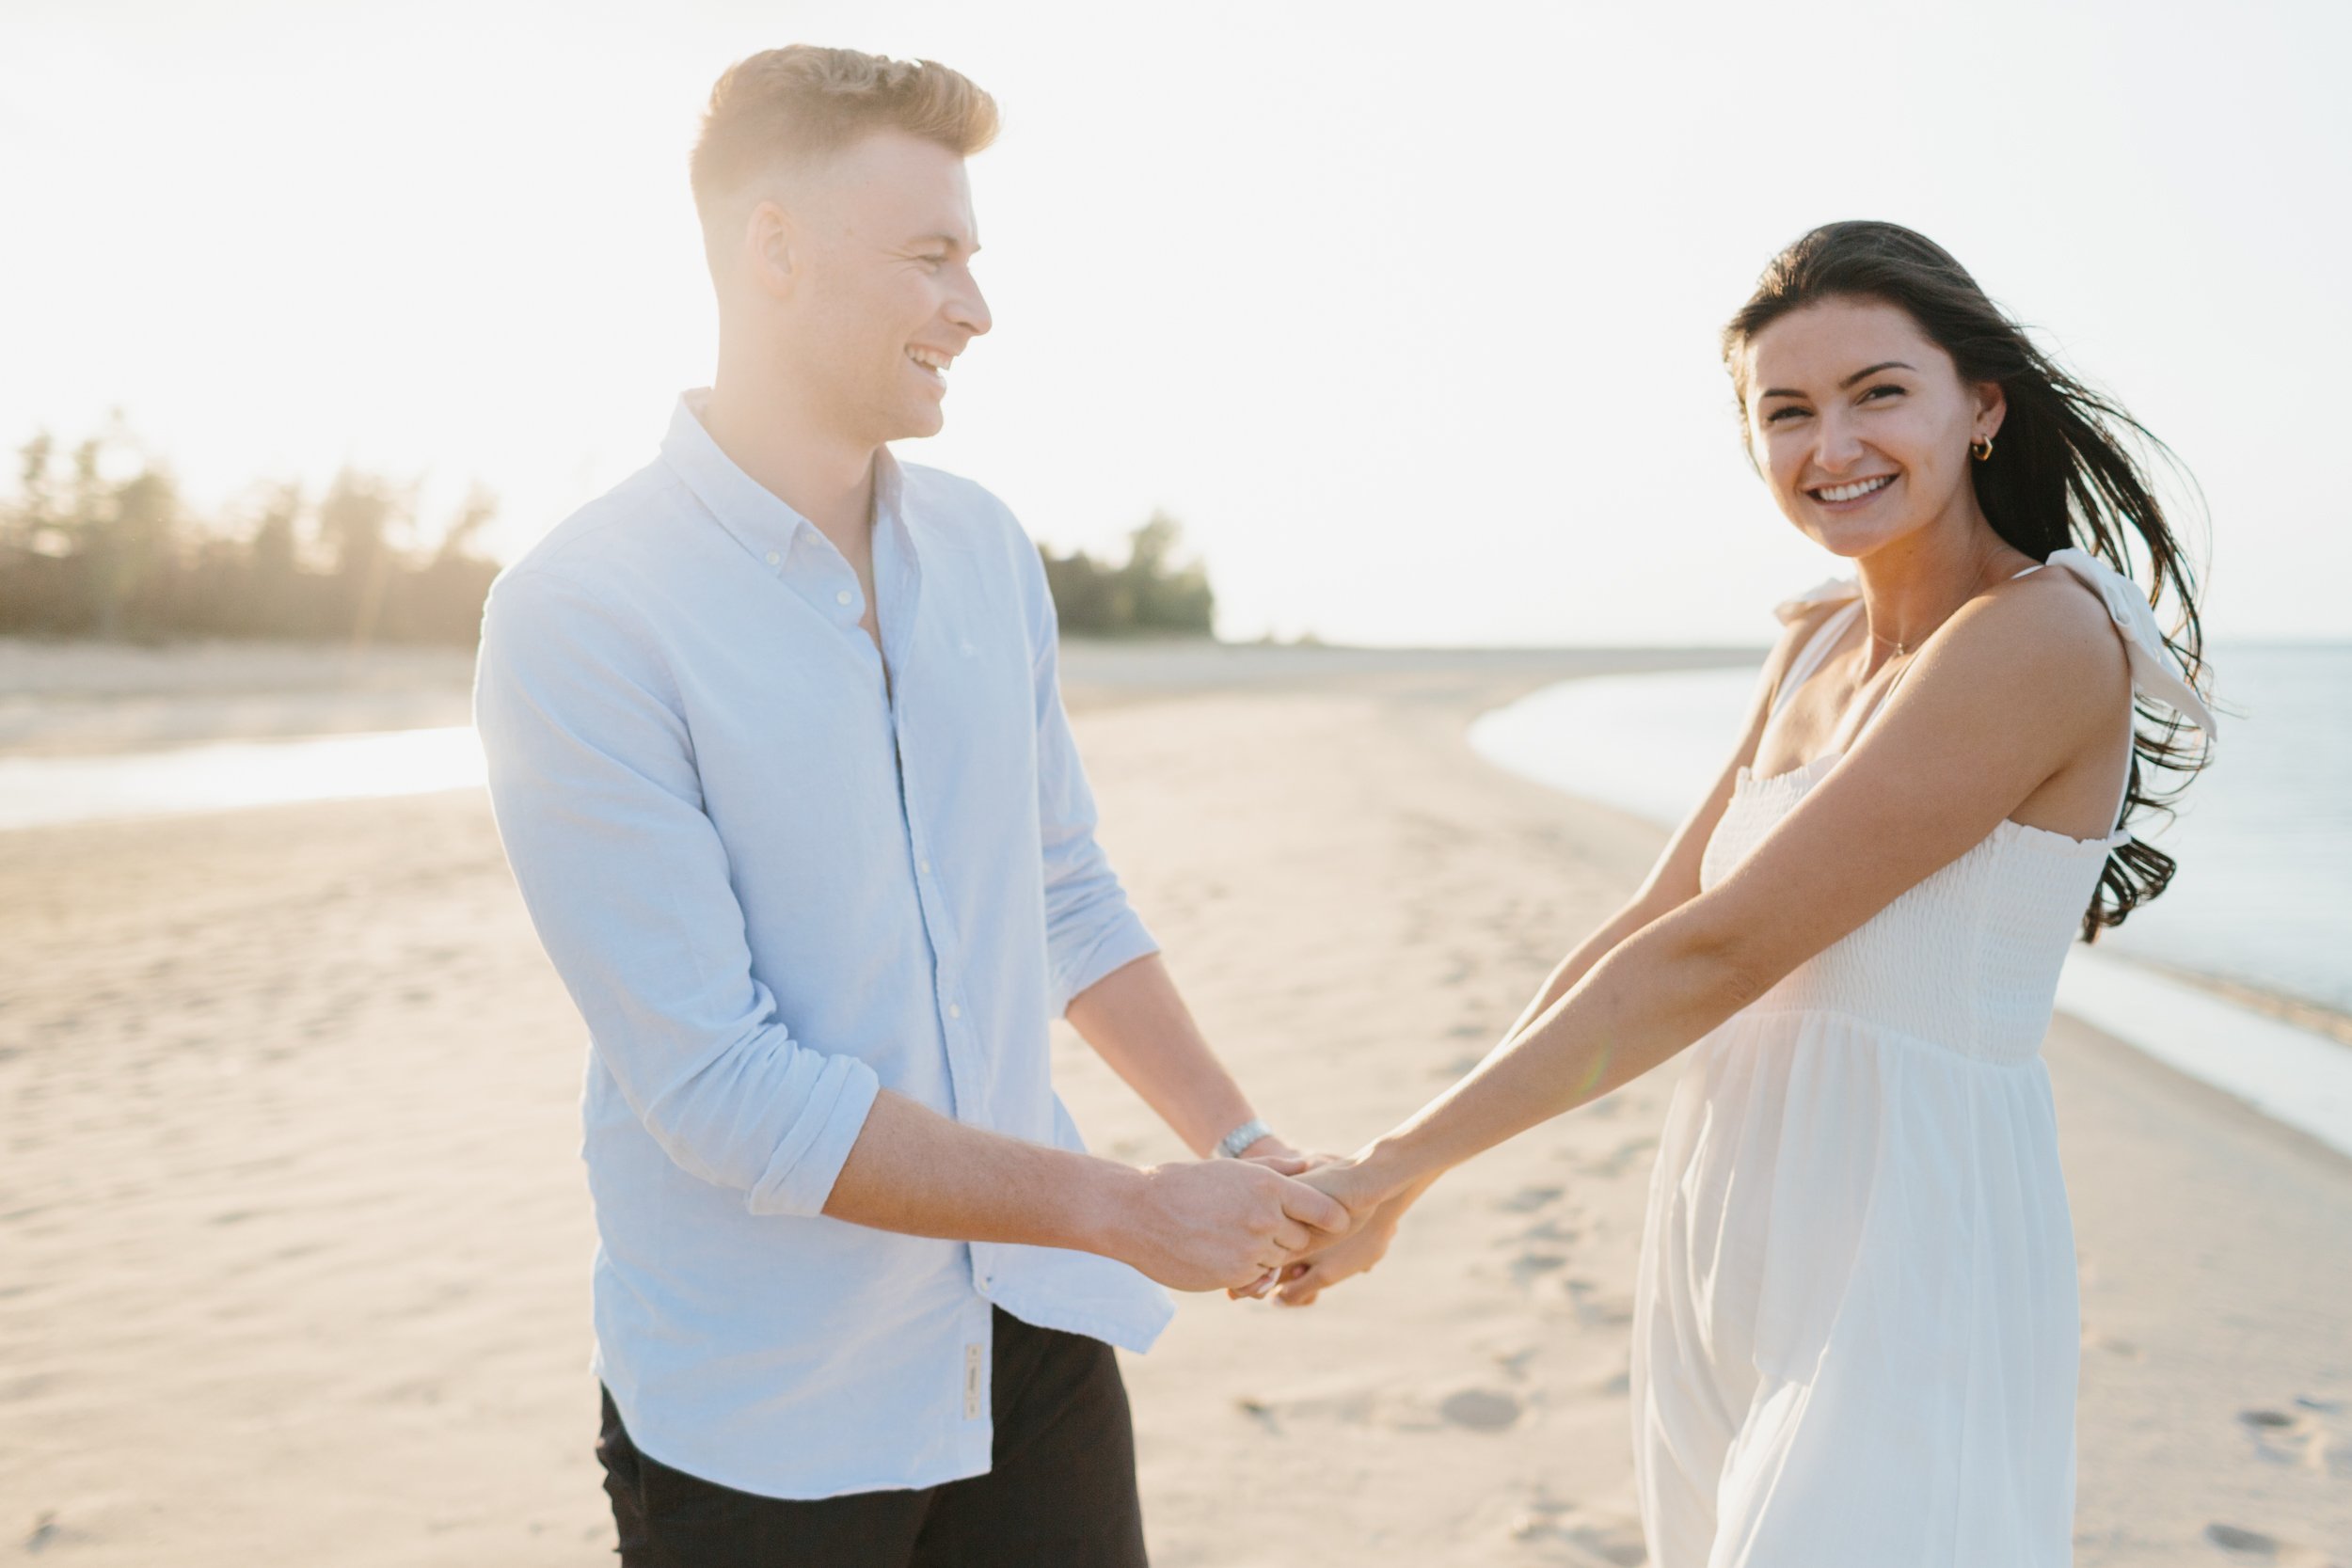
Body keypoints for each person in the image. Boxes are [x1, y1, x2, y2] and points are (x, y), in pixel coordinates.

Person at [472, 45, 1343, 1568]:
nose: (977, 308)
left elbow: (1063, 891)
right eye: (932, 257)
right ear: (775, 252)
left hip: (1032, 1335)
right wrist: (1134, 1211)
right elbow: (725, 1091)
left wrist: (1236, 1135)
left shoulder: (985, 552)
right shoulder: (582, 613)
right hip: (765, 1410)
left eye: (974, 257)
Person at [1285, 221, 2216, 1565]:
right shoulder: (1818, 643)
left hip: (1913, 1228)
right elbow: (1654, 923)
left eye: (1880, 393)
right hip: (1733, 1200)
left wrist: (1391, 1169)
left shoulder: (2043, 638)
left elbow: (1723, 953)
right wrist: (1408, 1177)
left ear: (1983, 407)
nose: (1831, 447)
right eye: (1787, 412)